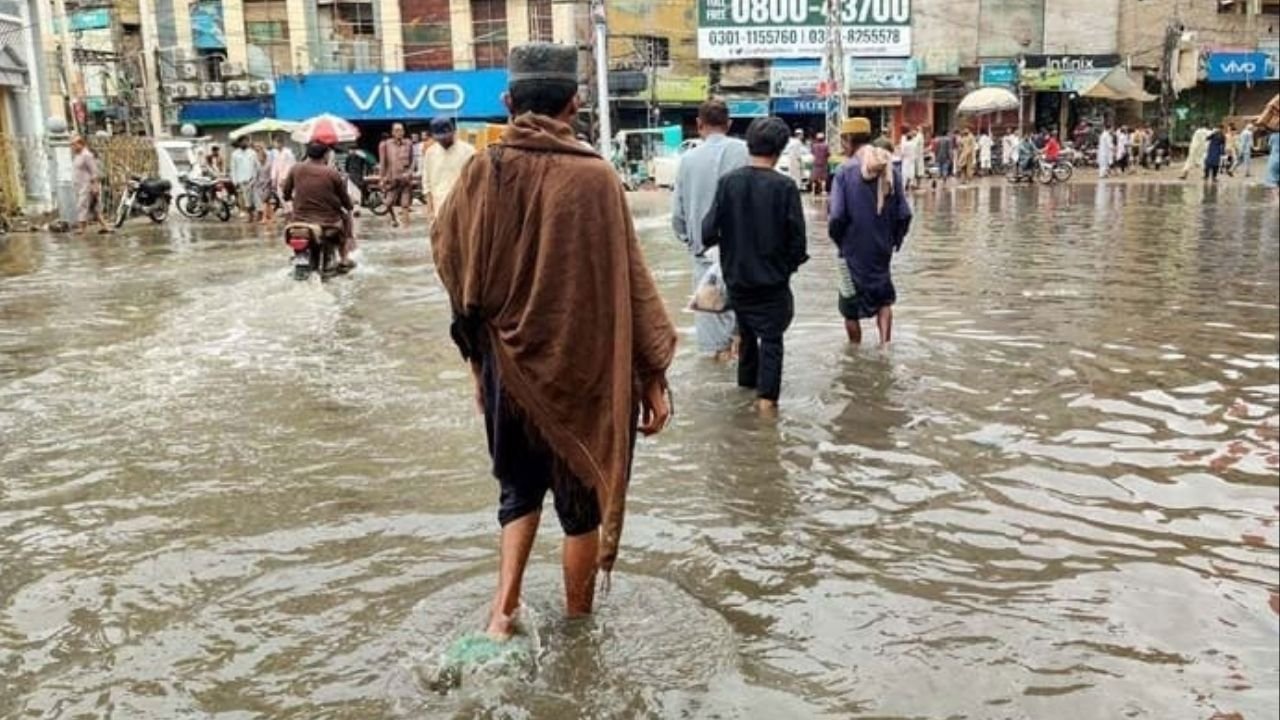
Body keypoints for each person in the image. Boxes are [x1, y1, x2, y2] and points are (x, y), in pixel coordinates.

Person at [432, 43, 676, 641]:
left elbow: (450, 258)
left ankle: (503, 611)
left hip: (504, 369)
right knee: (580, 505)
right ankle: (578, 629)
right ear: (575, 103)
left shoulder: (482, 172)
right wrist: (652, 376)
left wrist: (478, 363)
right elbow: (631, 283)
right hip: (582, 374)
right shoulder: (595, 177)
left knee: (518, 492)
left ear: (510, 103)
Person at [700, 117, 809, 415]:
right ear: (781, 149)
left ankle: (744, 401)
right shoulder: (785, 187)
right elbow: (798, 243)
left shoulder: (728, 184)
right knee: (771, 343)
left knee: (746, 338)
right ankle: (766, 413)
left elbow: (707, 232)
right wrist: (785, 268)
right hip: (772, 285)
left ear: (749, 144)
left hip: (738, 283)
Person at [672, 99, 749, 361]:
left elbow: (678, 216)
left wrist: (690, 240)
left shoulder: (687, 160)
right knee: (747, 337)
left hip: (704, 256)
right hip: (744, 257)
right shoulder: (746, 151)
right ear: (728, 124)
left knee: (715, 345)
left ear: (699, 125)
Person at [829, 117, 911, 345]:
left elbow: (836, 216)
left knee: (849, 306)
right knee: (884, 300)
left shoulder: (844, 172)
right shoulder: (890, 169)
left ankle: (854, 351)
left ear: (848, 140)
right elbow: (904, 213)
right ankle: (885, 346)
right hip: (881, 247)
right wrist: (893, 241)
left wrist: (840, 241)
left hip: (852, 249)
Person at [282, 142, 356, 271]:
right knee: (345, 218)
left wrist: (290, 198)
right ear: (326, 155)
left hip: (300, 219)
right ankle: (344, 258)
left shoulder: (295, 169)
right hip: (328, 221)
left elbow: (285, 193)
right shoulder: (332, 173)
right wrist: (350, 204)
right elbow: (345, 200)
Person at [421, 116, 477, 225]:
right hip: (440, 209)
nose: (442, 140)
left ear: (454, 132)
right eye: (439, 138)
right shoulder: (430, 153)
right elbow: (426, 183)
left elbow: (476, 183)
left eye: (445, 137)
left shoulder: (469, 151)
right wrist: (430, 210)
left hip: (464, 209)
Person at [71, 136, 110, 235]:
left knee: (82, 205)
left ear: (81, 144)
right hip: (80, 185)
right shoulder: (78, 155)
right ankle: (105, 226)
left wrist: (95, 185)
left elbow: (94, 171)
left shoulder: (87, 155)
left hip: (87, 185)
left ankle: (82, 228)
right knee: (94, 207)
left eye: (74, 145)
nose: (72, 147)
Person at [378, 122, 415, 226]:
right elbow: (383, 163)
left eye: (401, 130)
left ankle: (406, 226)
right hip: (391, 179)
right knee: (388, 203)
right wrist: (381, 179)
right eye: (397, 130)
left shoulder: (408, 143)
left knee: (405, 204)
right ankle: (394, 218)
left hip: (405, 179)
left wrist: (410, 172)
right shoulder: (385, 145)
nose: (400, 132)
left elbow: (412, 160)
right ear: (392, 132)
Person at [230, 138, 259, 218]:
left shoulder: (252, 153)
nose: (244, 143)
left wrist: (255, 176)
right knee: (246, 200)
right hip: (241, 179)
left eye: (246, 141)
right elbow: (233, 168)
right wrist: (234, 181)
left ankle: (256, 215)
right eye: (242, 142)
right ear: (239, 143)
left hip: (252, 179)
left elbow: (256, 166)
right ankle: (250, 216)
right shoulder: (235, 154)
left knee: (255, 199)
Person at [271, 136, 297, 213]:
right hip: (279, 177)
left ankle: (292, 212)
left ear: (281, 143)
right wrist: (273, 179)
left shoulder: (288, 153)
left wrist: (284, 178)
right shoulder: (275, 153)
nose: (275, 144)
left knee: (289, 195)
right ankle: (287, 212)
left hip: (287, 177)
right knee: (280, 195)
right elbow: (274, 166)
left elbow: (290, 166)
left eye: (276, 143)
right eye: (274, 143)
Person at [252, 143, 275, 224]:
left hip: (268, 184)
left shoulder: (269, 164)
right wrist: (254, 182)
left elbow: (271, 174)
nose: (259, 158)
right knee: (267, 202)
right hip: (260, 185)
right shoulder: (258, 165)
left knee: (265, 201)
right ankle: (272, 217)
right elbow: (256, 174)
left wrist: (271, 182)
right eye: (258, 157)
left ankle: (264, 218)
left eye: (261, 157)